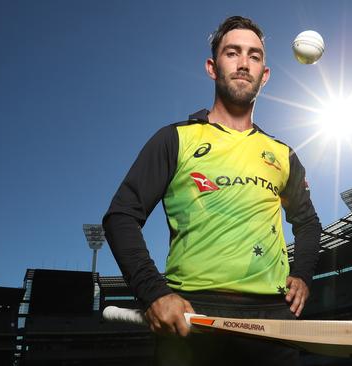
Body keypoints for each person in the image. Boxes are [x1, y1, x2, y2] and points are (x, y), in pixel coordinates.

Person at [102, 15, 322, 366]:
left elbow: (308, 222)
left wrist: (303, 273)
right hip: (191, 314)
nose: (243, 63)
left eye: (254, 56)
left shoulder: (284, 155)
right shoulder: (174, 139)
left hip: (272, 318)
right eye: (232, 52)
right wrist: (154, 294)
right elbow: (120, 216)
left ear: (264, 75)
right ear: (212, 67)